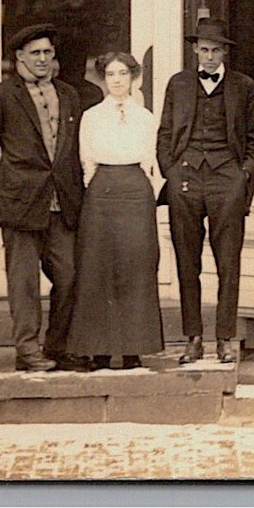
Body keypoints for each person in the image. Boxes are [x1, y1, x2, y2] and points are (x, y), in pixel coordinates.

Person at [0, 23, 85, 372]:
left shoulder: (69, 95)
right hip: (19, 206)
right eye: (35, 53)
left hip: (61, 204)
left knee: (69, 276)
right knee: (24, 283)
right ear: (19, 57)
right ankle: (28, 350)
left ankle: (58, 346)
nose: (42, 59)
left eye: (48, 52)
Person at [156, 20, 254, 365]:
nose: (210, 57)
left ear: (225, 52)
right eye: (204, 50)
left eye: (216, 50)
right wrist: (171, 172)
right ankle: (193, 338)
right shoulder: (179, 84)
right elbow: (165, 133)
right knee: (187, 262)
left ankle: (225, 338)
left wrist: (242, 176)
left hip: (226, 179)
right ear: (195, 50)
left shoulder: (243, 86)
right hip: (186, 178)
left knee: (228, 262)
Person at [68, 52, 164, 371]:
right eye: (111, 74)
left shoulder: (145, 117)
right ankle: (99, 349)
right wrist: (97, 187)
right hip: (102, 190)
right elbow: (87, 160)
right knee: (98, 269)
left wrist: (142, 187)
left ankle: (134, 348)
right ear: (103, 79)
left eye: (123, 73)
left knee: (136, 267)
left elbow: (150, 160)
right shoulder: (92, 116)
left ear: (133, 77)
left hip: (135, 190)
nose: (117, 80)